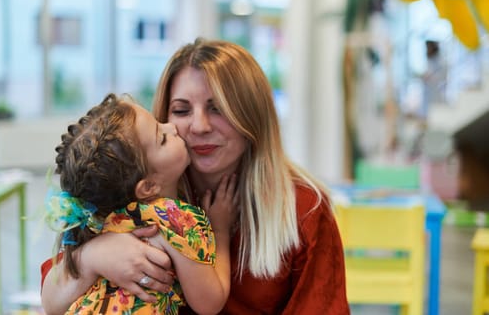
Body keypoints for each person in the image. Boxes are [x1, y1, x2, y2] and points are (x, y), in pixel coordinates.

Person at [41, 38, 350, 314]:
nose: (199, 126)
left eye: (218, 109)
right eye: (182, 110)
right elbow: (51, 302)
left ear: (252, 116)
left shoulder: (304, 211)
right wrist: (93, 257)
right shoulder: (127, 195)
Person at [42, 93, 237, 314]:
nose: (171, 128)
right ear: (148, 187)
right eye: (162, 138)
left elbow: (52, 306)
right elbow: (209, 303)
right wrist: (220, 231)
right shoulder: (176, 220)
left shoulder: (100, 220)